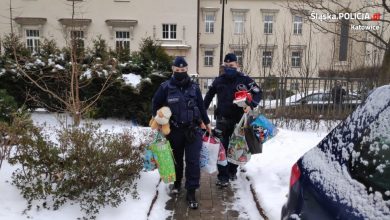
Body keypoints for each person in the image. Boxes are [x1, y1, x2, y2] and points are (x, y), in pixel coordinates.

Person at [152, 56, 211, 209]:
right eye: (177, 70)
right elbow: (155, 103)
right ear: (173, 69)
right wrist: (158, 119)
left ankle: (191, 191)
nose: (180, 72)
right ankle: (177, 183)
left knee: (192, 161)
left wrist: (207, 123)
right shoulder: (165, 87)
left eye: (183, 70)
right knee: (177, 159)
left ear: (186, 70)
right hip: (174, 130)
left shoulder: (194, 87)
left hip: (193, 129)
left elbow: (201, 106)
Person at [204, 53, 262, 187]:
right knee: (222, 148)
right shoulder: (219, 80)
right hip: (222, 120)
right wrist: (202, 114)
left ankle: (232, 171)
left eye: (232, 66)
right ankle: (222, 176)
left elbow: (258, 92)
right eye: (227, 66)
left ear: (237, 65)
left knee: (236, 147)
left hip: (239, 121)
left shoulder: (245, 80)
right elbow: (208, 97)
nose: (229, 68)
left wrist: (251, 104)